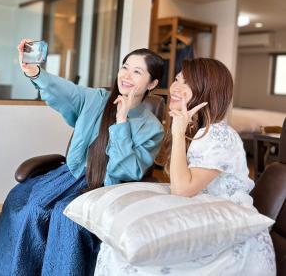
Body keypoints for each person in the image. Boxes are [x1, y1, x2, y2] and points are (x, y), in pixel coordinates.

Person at [0, 39, 165, 275]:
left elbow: (128, 171)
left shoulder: (153, 128)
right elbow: (64, 90)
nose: (127, 75)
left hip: (106, 186)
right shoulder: (96, 99)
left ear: (152, 83)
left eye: (137, 71)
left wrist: (121, 121)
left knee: (65, 216)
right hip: (73, 174)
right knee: (28, 204)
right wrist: (36, 73)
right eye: (125, 67)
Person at [95, 58, 276, 275]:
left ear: (207, 92)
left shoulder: (218, 133)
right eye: (177, 79)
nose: (175, 88)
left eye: (187, 84)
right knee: (120, 243)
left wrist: (178, 132)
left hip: (228, 230)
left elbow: (182, 189)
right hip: (201, 211)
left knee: (133, 261)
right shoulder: (195, 129)